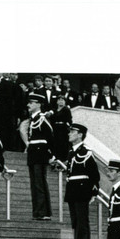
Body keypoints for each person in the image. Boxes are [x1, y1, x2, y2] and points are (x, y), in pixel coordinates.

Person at [62, 123, 100, 239]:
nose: (69, 134)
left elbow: (94, 175)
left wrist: (93, 192)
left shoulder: (86, 152)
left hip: (82, 190)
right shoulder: (72, 152)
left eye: (73, 131)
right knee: (76, 222)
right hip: (72, 189)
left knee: (82, 222)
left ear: (80, 135)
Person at [25, 92, 54, 221]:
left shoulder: (42, 119)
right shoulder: (33, 119)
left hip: (40, 154)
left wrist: (50, 154)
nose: (28, 105)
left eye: (31, 103)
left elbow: (50, 137)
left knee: (39, 184)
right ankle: (37, 211)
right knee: (34, 184)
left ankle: (43, 211)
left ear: (38, 104)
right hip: (33, 154)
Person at [50, 94, 72, 162]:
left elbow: (69, 120)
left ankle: (62, 160)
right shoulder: (54, 110)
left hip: (63, 129)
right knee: (55, 143)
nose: (61, 101)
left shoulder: (66, 109)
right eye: (59, 100)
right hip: (55, 128)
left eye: (62, 100)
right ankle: (56, 158)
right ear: (57, 101)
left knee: (63, 144)